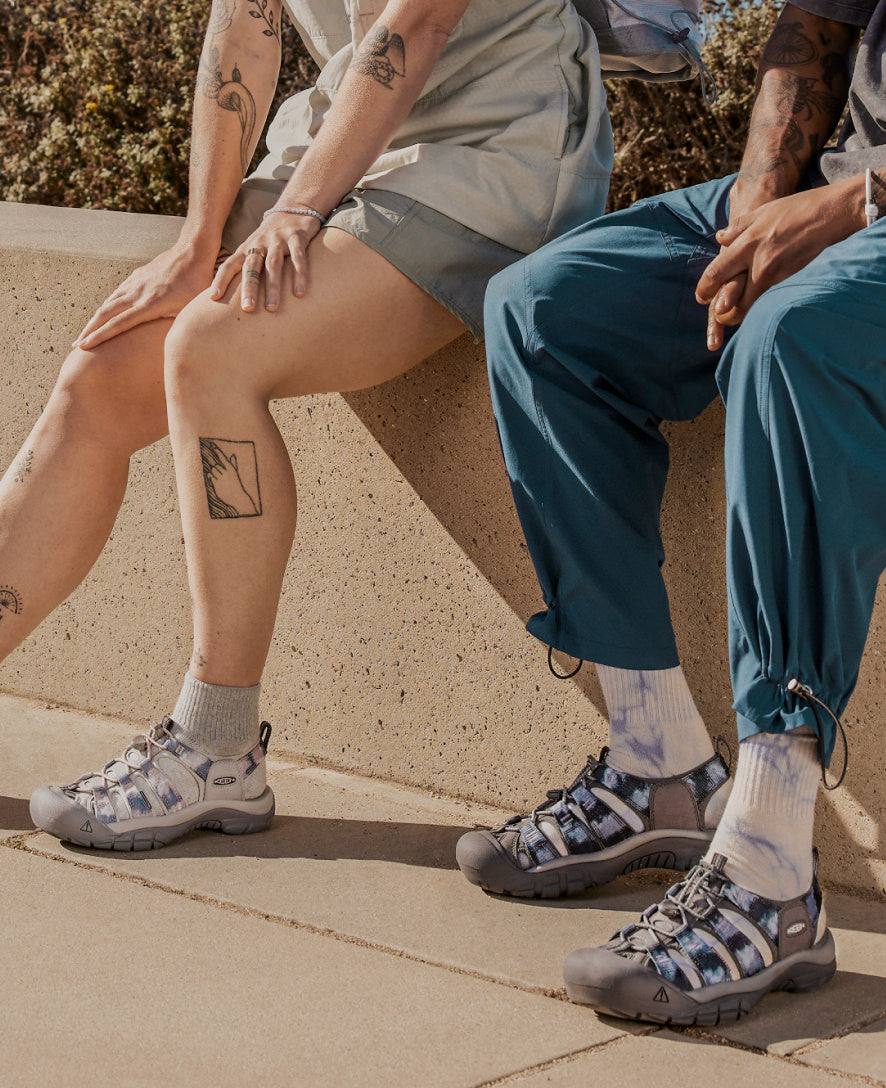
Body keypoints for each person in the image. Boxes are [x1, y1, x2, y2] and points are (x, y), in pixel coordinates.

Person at [10, 0, 611, 848]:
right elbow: (245, 27)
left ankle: (217, 747)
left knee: (213, 352)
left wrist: (297, 210)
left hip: (492, 149)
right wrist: (198, 239)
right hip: (344, 133)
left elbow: (419, 25)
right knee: (99, 378)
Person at [458, 0, 884, 1024]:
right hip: (841, 195)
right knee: (545, 312)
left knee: (790, 344)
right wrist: (757, 211)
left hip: (865, 209)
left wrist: (855, 204)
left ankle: (773, 871)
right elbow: (816, 29)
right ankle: (658, 762)